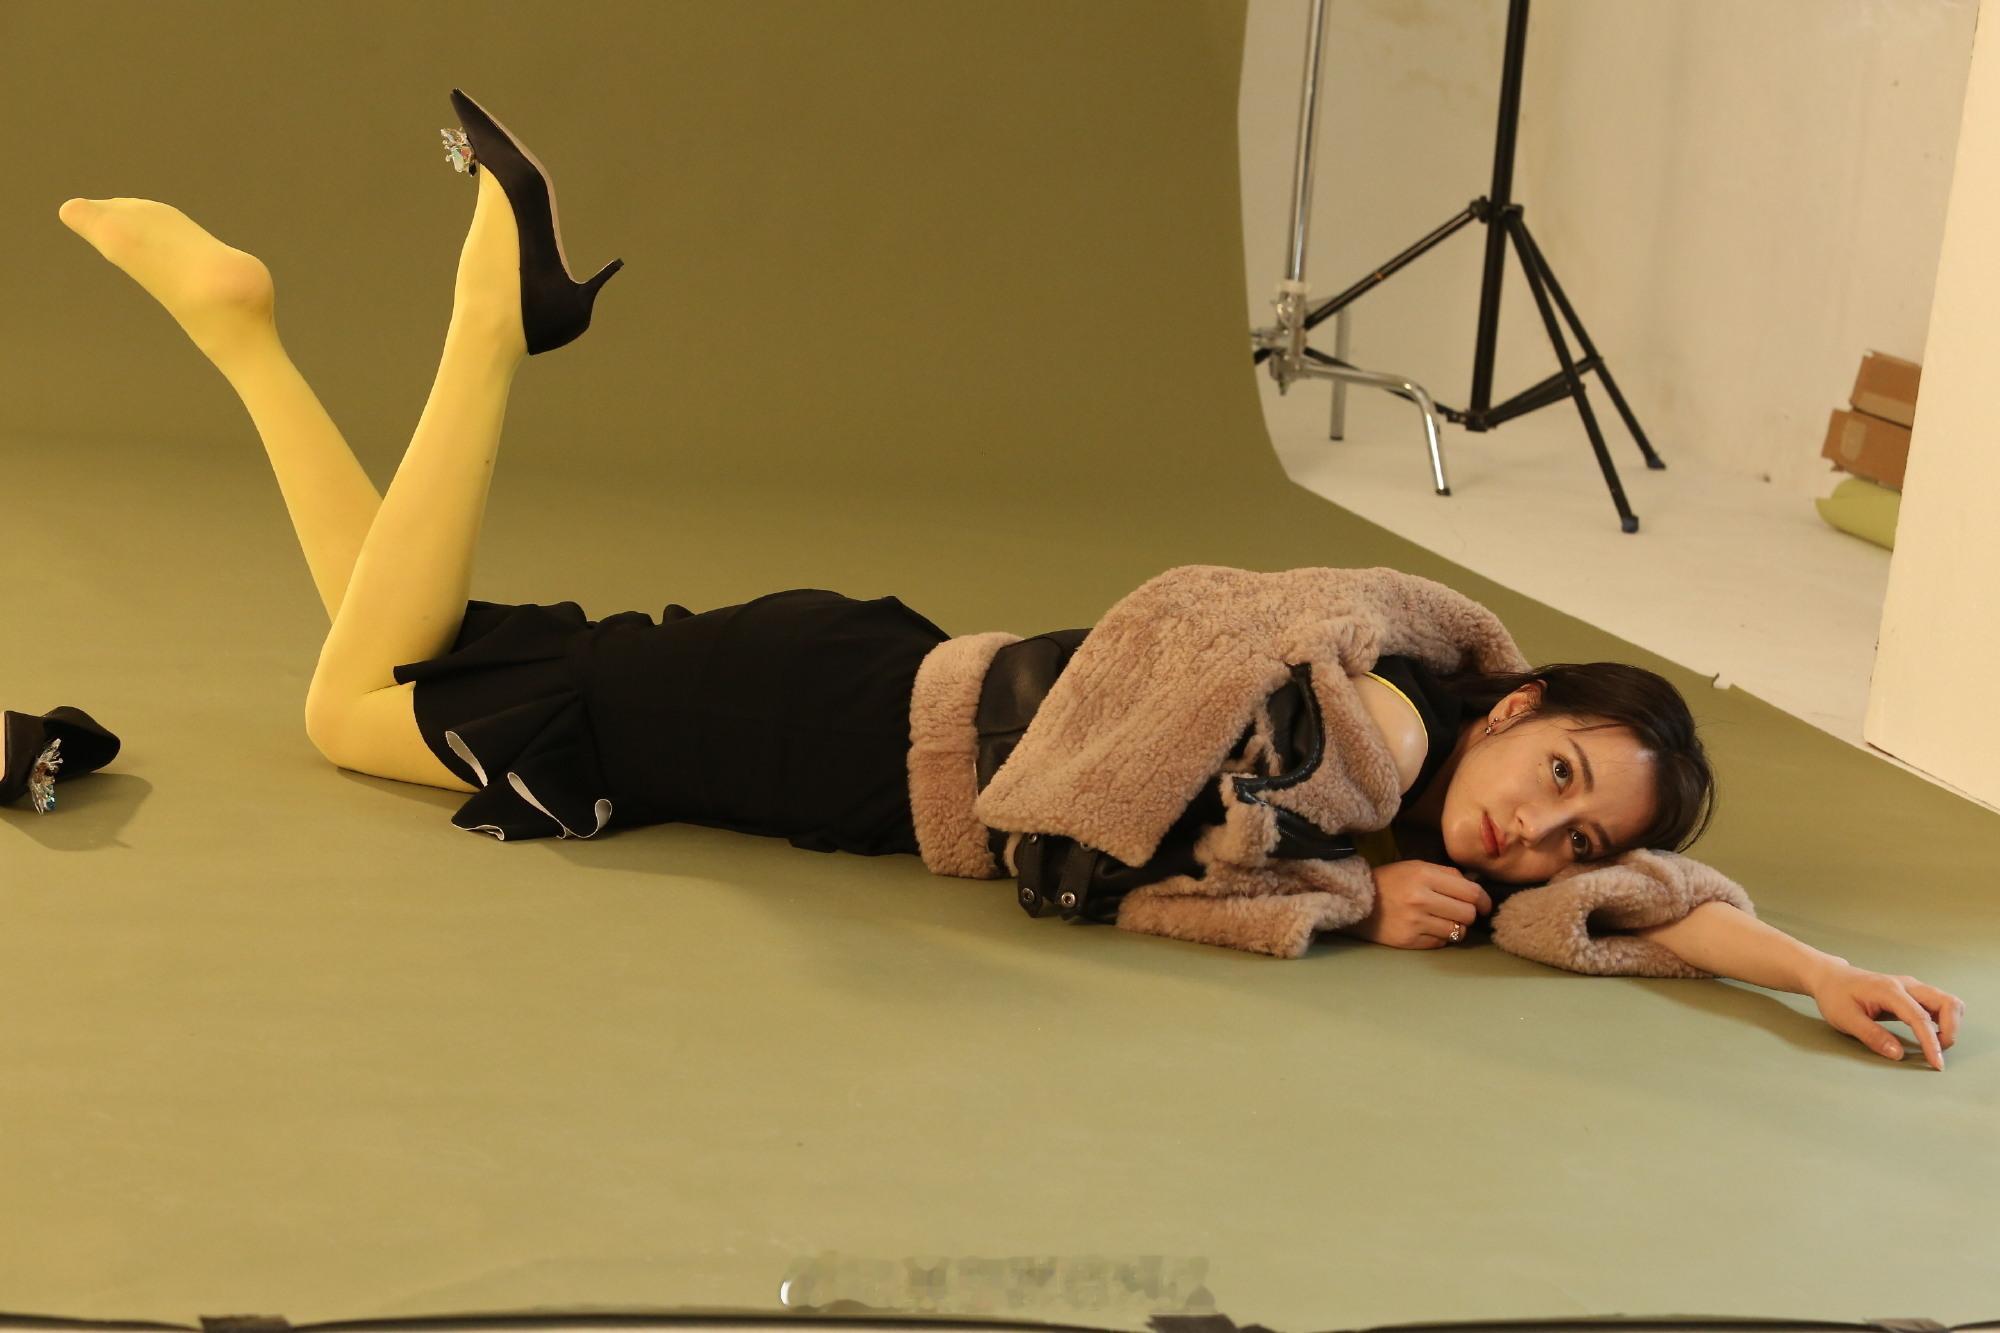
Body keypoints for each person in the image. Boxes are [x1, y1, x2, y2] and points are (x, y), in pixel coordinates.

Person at [55, 91, 1963, 1071]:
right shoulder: (1369, 700)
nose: (1542, 838)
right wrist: (1342, 897)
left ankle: (244, 336)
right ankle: (493, 302)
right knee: (352, 706)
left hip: (861, 687)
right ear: (1520, 701)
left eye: (1573, 835)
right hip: (831, 730)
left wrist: (1818, 971)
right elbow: (1159, 806)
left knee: (415, 643)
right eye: (1557, 776)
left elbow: (1646, 901)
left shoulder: (1452, 800)